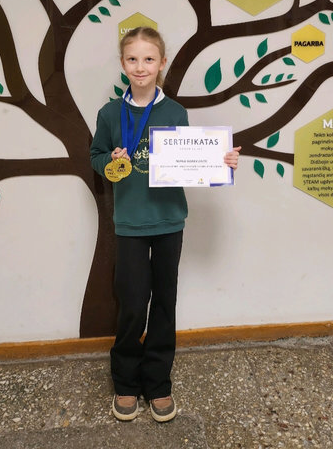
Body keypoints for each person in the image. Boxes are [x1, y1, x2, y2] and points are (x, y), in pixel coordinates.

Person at [90, 26, 240, 423]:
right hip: (130, 223)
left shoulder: (174, 111)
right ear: (123, 63)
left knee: (164, 303)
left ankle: (158, 383)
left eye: (148, 59)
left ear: (162, 63)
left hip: (170, 220)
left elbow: (190, 159)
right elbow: (96, 156)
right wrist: (110, 163)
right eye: (132, 59)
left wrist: (221, 162)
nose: (140, 67)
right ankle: (125, 381)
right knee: (132, 304)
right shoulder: (109, 114)